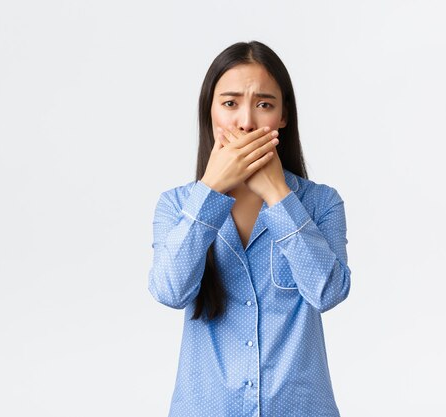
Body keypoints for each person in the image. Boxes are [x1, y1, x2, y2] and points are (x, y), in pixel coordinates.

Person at [148, 40, 351, 417]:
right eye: (230, 103)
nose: (246, 122)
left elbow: (329, 293)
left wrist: (278, 195)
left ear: (283, 116)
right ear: (209, 112)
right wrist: (210, 191)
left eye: (264, 104)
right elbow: (169, 290)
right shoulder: (177, 205)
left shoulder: (321, 203)